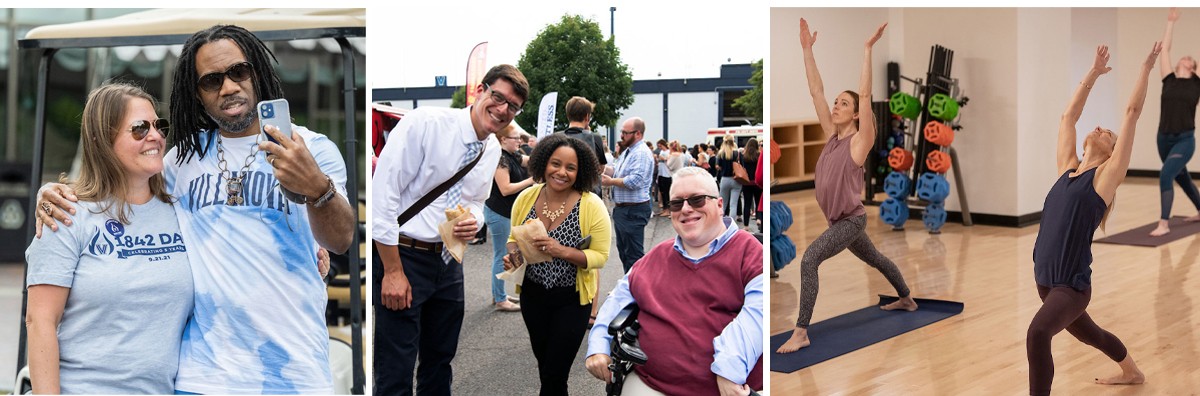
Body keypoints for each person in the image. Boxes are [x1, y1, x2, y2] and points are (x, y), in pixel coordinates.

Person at [36, 25, 354, 394]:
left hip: (295, 375)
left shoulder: (312, 149)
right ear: (197, 94)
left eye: (239, 71)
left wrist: (316, 188)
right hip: (202, 378)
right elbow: (119, 187)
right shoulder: (179, 162)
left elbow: (341, 240)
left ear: (258, 74)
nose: (229, 87)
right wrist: (54, 192)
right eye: (211, 81)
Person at [25, 83, 192, 395]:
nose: (155, 136)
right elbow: (40, 321)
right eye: (140, 129)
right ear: (103, 139)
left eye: (160, 125)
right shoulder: (65, 214)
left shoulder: (182, 213)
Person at [372, 64, 528, 395]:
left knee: (439, 362)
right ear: (481, 91)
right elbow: (381, 198)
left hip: (448, 262)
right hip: (404, 256)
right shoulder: (425, 124)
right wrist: (393, 271)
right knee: (396, 368)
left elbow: (475, 200)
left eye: (512, 106)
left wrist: (475, 220)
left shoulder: (491, 149)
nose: (502, 110)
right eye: (498, 97)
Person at [776, 19, 918, 354]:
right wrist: (806, 50)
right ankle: (907, 299)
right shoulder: (831, 136)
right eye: (837, 102)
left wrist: (868, 50)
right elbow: (816, 90)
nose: (836, 106)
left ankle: (801, 331)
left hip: (849, 221)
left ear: (856, 115)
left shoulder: (859, 142)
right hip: (841, 221)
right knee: (877, 259)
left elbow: (866, 94)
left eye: (844, 104)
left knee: (809, 260)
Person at [1026, 43, 1156, 396]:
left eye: (1108, 134)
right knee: (1093, 335)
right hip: (1045, 283)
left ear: (1113, 152)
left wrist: (1145, 69)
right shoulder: (1066, 170)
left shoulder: (1103, 181)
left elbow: (1131, 112)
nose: (1101, 128)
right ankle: (1132, 372)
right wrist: (1094, 74)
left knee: (1038, 334)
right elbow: (1068, 118)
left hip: (1071, 287)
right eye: (1100, 128)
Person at [585, 167, 762, 396]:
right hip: (653, 385)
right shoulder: (657, 256)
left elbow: (758, 315)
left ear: (719, 205)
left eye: (697, 200)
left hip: (730, 387)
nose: (687, 209)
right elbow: (617, 300)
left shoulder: (749, 251)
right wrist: (598, 346)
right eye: (677, 203)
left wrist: (728, 368)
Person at [501, 134, 611, 396]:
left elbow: (599, 256)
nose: (561, 172)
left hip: (572, 301)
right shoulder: (526, 198)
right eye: (555, 164)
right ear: (543, 163)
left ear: (580, 171)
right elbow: (513, 238)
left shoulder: (591, 204)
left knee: (555, 373)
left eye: (570, 168)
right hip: (533, 297)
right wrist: (513, 257)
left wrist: (560, 250)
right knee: (546, 367)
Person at [1151, 7, 1200, 236]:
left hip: (1184, 139)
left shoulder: (1196, 84)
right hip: (1163, 138)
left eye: (1191, 58)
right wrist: (1170, 22)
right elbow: (1165, 51)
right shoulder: (1168, 79)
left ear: (1193, 67)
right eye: (1185, 56)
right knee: (1182, 177)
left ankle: (1164, 223)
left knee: (1166, 174)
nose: (1186, 58)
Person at [485, 122, 534, 312]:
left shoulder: (512, 155)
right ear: (503, 139)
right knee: (502, 255)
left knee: (507, 253)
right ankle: (500, 298)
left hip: (507, 212)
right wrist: (530, 181)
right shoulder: (500, 159)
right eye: (516, 138)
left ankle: (500, 293)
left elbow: (529, 160)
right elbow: (505, 189)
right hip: (499, 211)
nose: (520, 142)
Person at [602, 117, 655, 273]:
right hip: (625, 210)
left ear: (637, 134)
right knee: (626, 253)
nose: (622, 135)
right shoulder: (630, 151)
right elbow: (617, 170)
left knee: (633, 256)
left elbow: (635, 181)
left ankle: (637, 289)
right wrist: (603, 169)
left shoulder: (641, 153)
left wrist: (611, 181)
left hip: (633, 210)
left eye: (625, 132)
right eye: (622, 132)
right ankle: (630, 286)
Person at [715, 138, 743, 222]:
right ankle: (732, 223)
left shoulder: (721, 153)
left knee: (723, 203)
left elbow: (717, 166)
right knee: (733, 204)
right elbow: (742, 165)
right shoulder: (737, 153)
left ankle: (721, 221)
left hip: (725, 179)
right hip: (736, 179)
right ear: (733, 143)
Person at [740, 139, 762, 229]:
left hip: (747, 182)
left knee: (747, 204)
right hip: (757, 182)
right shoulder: (759, 155)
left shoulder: (743, 156)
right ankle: (759, 219)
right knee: (758, 202)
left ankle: (746, 226)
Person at [654, 139, 673, 217]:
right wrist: (656, 159)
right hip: (661, 173)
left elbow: (669, 160)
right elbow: (659, 162)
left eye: (660, 146)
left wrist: (663, 158)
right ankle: (664, 209)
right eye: (658, 146)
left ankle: (668, 210)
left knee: (666, 193)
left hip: (667, 174)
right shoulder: (661, 152)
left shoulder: (668, 152)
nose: (659, 147)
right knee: (662, 192)